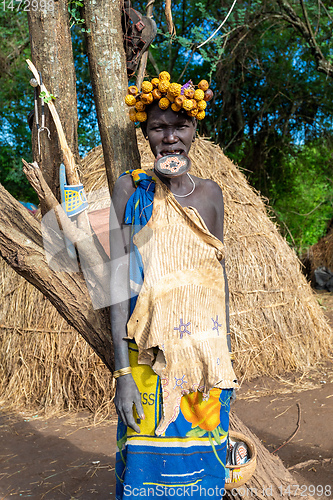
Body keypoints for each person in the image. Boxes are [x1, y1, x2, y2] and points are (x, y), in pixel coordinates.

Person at [110, 74, 238, 499]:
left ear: (195, 130)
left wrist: (223, 355)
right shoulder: (130, 189)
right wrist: (123, 375)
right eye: (158, 128)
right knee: (146, 470)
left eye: (180, 126)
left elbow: (214, 279)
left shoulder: (210, 196)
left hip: (203, 354)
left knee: (203, 463)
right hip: (148, 355)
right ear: (145, 133)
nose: (170, 139)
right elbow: (115, 282)